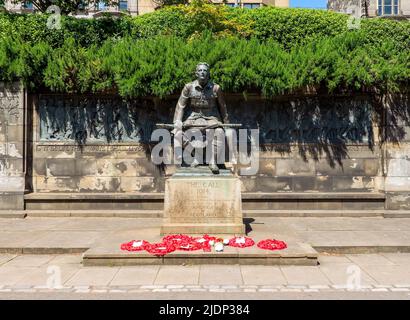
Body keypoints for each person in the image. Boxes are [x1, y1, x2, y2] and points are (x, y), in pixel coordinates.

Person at [173, 63, 233, 174]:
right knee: (177, 134)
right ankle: (197, 155)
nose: (202, 72)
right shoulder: (189, 87)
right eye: (200, 70)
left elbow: (222, 107)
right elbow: (180, 106)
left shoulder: (216, 88)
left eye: (205, 70)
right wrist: (178, 121)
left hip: (211, 118)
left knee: (219, 132)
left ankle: (213, 161)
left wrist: (227, 125)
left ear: (208, 73)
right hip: (194, 118)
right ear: (196, 73)